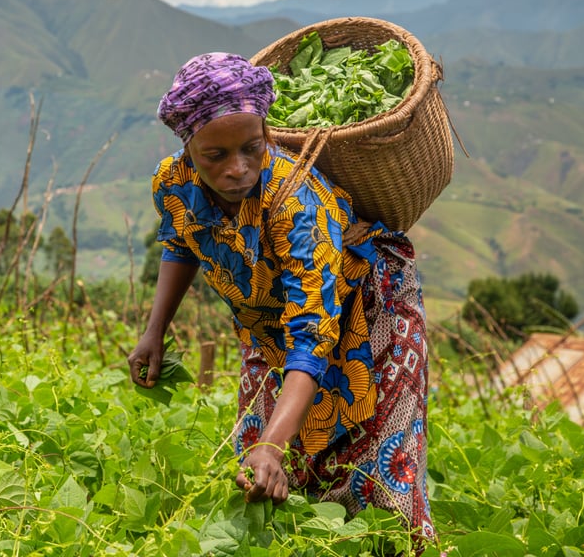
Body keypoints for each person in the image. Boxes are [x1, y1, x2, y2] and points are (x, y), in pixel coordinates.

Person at [127, 52, 435, 548]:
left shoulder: (295, 200)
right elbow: (179, 242)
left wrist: (273, 444)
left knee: (374, 473)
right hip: (269, 329)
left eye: (252, 147)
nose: (238, 168)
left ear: (267, 132)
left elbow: (312, 332)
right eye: (215, 156)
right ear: (188, 147)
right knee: (259, 471)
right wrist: (154, 331)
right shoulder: (173, 182)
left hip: (371, 312)